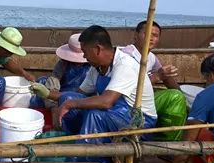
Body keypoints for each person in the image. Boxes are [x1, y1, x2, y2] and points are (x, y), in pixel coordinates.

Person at [56, 26, 156, 154]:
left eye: (85, 52)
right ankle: (71, 144)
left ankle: (89, 160)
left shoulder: (125, 65)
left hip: (140, 121)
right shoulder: (97, 67)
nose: (85, 56)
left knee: (95, 116)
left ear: (97, 49)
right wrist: (51, 96)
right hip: (114, 111)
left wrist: (71, 104)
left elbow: (106, 101)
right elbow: (79, 94)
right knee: (68, 98)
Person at [124, 22, 187, 137]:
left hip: (144, 102)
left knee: (178, 96)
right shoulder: (127, 55)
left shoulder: (151, 57)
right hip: (129, 103)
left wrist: (184, 98)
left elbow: (166, 78)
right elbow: (130, 87)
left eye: (155, 36)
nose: (151, 38)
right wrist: (157, 76)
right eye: (147, 34)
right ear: (136, 35)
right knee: (175, 98)